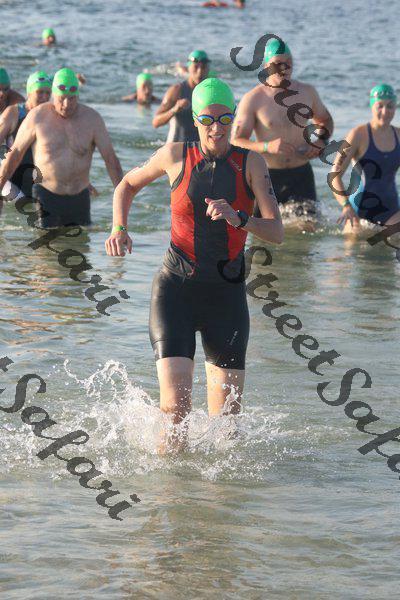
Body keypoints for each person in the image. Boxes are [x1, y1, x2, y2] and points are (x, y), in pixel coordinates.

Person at [105, 78, 283, 452]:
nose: (217, 128)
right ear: (196, 120)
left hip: (226, 298)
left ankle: (212, 493)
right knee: (175, 414)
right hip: (176, 293)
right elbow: (126, 186)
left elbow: (276, 231)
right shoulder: (174, 156)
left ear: (233, 118)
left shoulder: (251, 162)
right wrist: (119, 228)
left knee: (228, 429)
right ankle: (170, 487)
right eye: (208, 120)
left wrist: (240, 218)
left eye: (225, 119)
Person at [0, 68, 123, 227]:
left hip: (80, 197)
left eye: (72, 98)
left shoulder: (92, 120)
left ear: (78, 95)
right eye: (61, 98)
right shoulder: (36, 117)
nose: (66, 104)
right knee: (47, 242)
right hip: (47, 195)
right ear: (54, 95)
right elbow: (15, 153)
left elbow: (111, 160)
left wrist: (122, 201)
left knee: (82, 241)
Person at [232, 38, 333, 222]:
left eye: (288, 63)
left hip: (301, 174)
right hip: (267, 176)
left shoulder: (307, 92)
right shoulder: (253, 99)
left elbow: (325, 120)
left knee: (308, 230)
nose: (284, 68)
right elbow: (236, 141)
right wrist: (267, 147)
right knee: (263, 230)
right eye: (278, 63)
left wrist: (320, 141)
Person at [331, 84, 400, 233]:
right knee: (352, 247)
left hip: (393, 210)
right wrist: (345, 205)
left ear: (395, 107)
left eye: (390, 106)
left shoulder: (399, 135)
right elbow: (334, 175)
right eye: (380, 106)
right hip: (358, 211)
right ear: (371, 106)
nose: (385, 111)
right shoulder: (358, 135)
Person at [0, 71, 52, 198]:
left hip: (39, 183)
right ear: (29, 93)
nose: (44, 97)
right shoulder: (14, 113)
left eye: (48, 93)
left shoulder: (51, 116)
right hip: (12, 182)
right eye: (40, 92)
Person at [152, 50, 210, 142]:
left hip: (199, 148)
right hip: (177, 147)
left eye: (203, 67)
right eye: (195, 67)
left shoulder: (210, 93)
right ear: (188, 68)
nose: (199, 71)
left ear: (208, 69)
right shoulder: (177, 91)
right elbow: (155, 122)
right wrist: (174, 109)